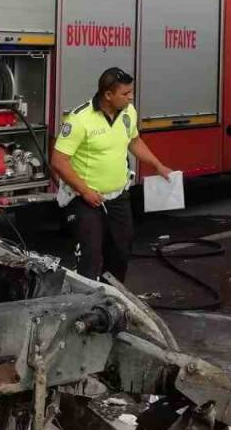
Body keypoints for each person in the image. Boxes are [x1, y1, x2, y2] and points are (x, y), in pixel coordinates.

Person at [51, 67, 172, 282]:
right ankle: (86, 304)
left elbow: (134, 141)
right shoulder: (80, 119)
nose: (131, 97)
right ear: (108, 95)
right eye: (125, 94)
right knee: (90, 255)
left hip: (118, 195)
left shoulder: (128, 113)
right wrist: (85, 191)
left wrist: (158, 165)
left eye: (131, 92)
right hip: (85, 198)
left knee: (121, 251)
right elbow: (59, 161)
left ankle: (113, 299)